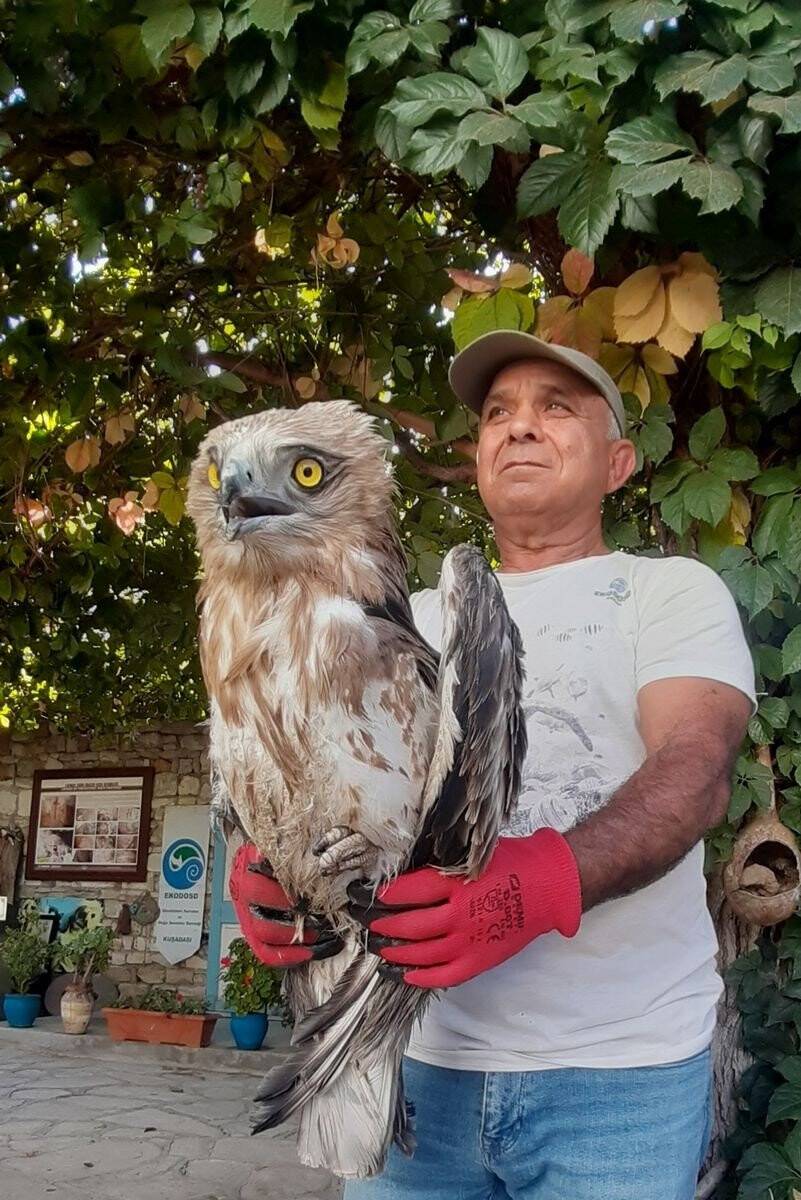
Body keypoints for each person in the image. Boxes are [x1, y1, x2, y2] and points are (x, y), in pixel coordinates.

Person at [229, 330, 755, 1200]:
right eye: (498, 414)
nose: (519, 428)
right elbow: (319, 785)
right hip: (408, 1062)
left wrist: (535, 885)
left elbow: (695, 770)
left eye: (556, 409)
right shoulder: (399, 617)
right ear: (475, 458)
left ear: (618, 463)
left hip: (618, 1075)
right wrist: (275, 870)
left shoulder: (670, 592)